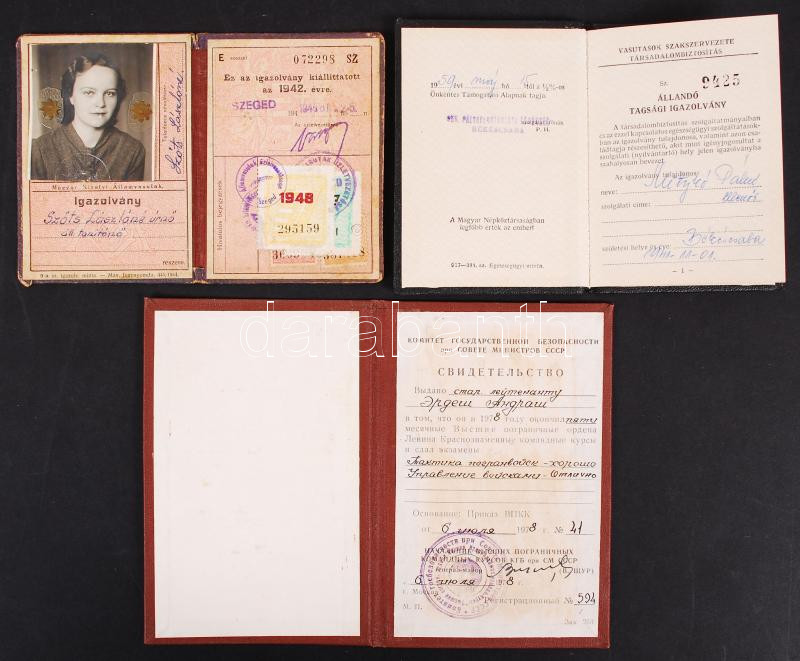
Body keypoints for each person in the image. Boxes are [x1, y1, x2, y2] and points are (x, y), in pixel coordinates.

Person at [30, 53, 145, 181]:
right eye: (89, 92)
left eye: (110, 93)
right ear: (70, 96)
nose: (100, 103)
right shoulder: (39, 150)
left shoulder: (132, 150)